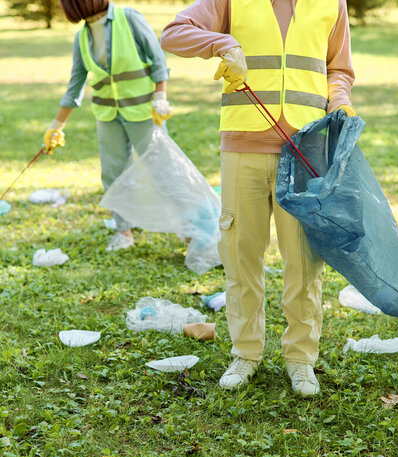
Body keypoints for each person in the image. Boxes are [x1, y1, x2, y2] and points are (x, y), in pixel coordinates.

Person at [161, 0, 356, 395]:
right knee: (240, 254)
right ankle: (245, 353)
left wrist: (339, 99)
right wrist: (222, 44)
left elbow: (339, 68)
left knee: (303, 260)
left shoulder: (331, 3)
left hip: (306, 148)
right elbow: (173, 33)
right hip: (242, 146)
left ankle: (301, 360)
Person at [44, 0, 172, 252]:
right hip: (107, 114)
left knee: (162, 168)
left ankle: (190, 228)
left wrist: (161, 97)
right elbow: (76, 84)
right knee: (113, 173)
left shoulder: (129, 17)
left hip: (143, 111)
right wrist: (56, 125)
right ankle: (123, 231)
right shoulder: (82, 36)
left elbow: (157, 59)